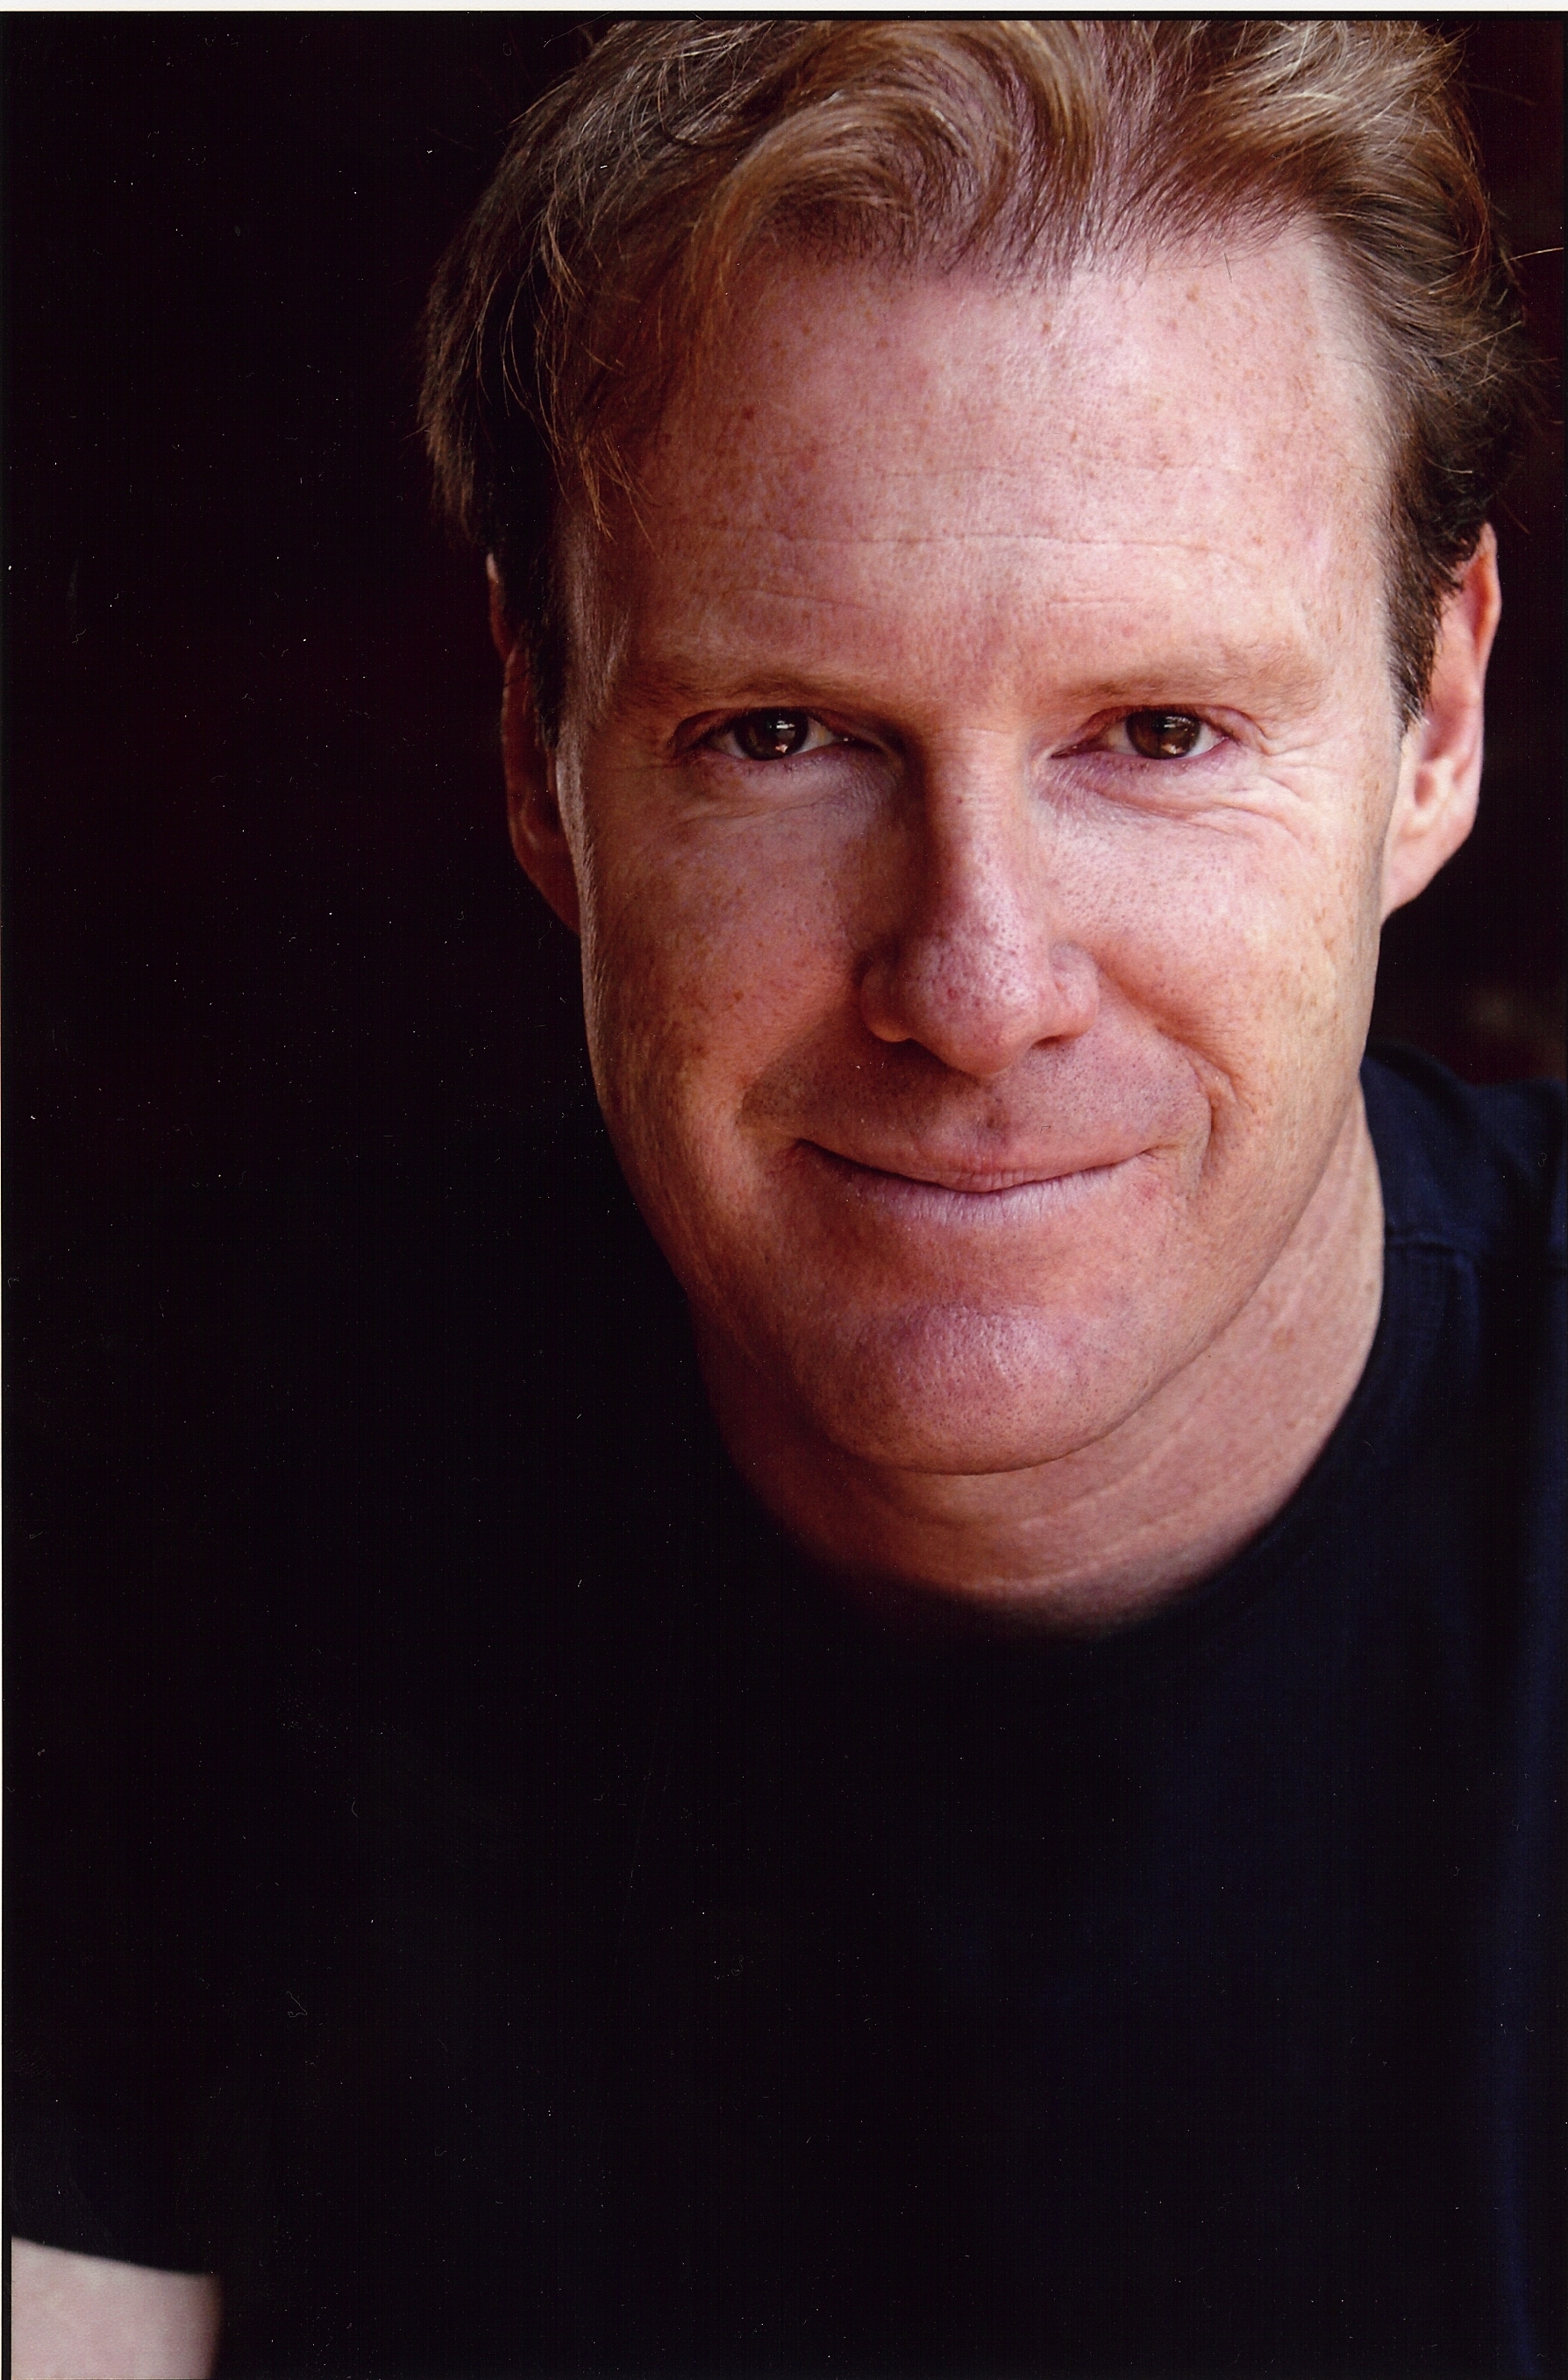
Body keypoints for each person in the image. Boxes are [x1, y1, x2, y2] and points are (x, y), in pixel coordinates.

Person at [11, 19, 1563, 2376]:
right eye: (784, 734)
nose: (976, 984)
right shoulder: (126, 1478)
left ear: (1432, 722)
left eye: (1156, 734)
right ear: (538, 747)